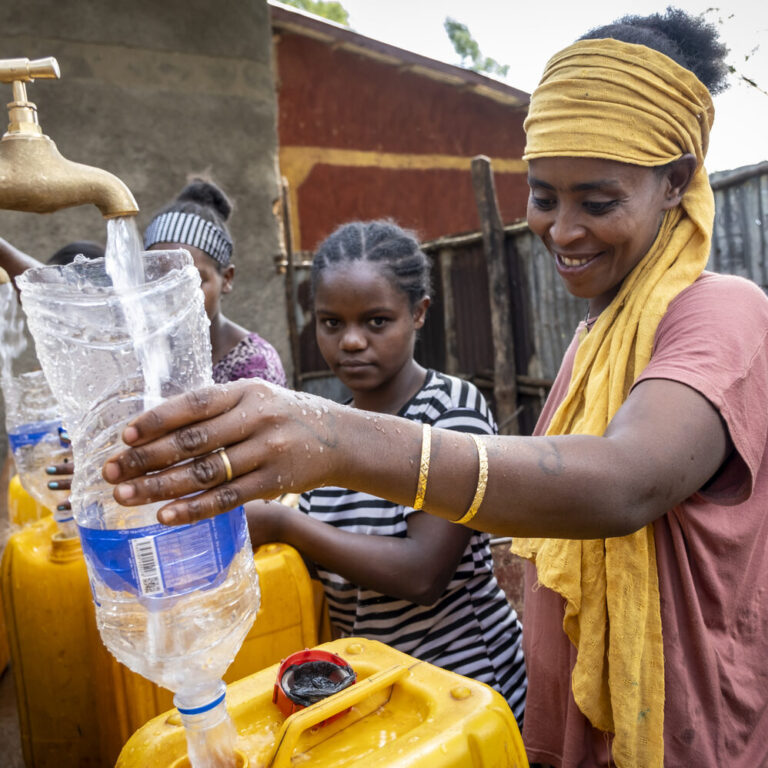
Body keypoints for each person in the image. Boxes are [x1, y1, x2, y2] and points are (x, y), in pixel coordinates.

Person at [101, 8, 768, 767]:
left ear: (677, 181)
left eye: (598, 200)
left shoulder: (723, 312)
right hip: (583, 722)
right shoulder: (601, 331)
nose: (561, 230)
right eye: (544, 196)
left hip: (683, 724)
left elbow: (626, 483)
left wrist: (336, 441)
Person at [244, 219, 527, 725]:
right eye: (332, 323)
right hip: (378, 691)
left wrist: (284, 525)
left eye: (376, 321)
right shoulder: (325, 427)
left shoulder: (451, 412)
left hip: (464, 688)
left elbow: (423, 574)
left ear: (418, 313)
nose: (351, 342)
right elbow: (329, 566)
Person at [143, 177, 286, 387]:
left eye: (193, 281)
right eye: (160, 280)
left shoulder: (254, 367)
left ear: (226, 279)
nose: (174, 295)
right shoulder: (142, 353)